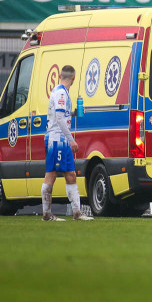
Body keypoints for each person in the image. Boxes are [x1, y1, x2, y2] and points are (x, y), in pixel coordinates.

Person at [41, 65, 93, 221]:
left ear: (60, 76)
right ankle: (46, 214)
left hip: (60, 139)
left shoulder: (59, 91)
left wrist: (72, 113)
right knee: (51, 174)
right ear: (74, 78)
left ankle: (77, 213)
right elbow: (59, 118)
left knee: (71, 174)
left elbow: (61, 114)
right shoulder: (62, 93)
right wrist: (71, 140)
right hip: (57, 139)